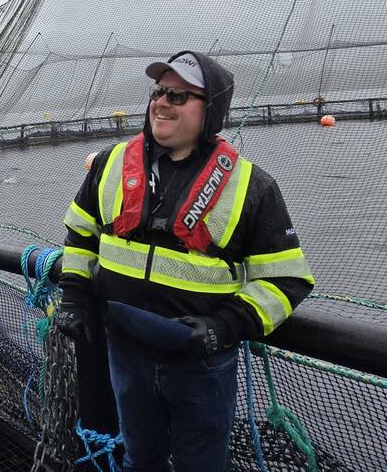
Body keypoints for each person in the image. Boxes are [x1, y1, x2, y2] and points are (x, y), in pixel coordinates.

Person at [56, 51, 314, 471]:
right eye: (159, 91)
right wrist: (73, 296)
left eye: (179, 96)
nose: (162, 102)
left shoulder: (252, 186)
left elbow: (286, 280)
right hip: (125, 353)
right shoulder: (110, 164)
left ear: (210, 110)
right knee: (141, 461)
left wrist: (222, 328)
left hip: (200, 365)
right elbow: (80, 234)